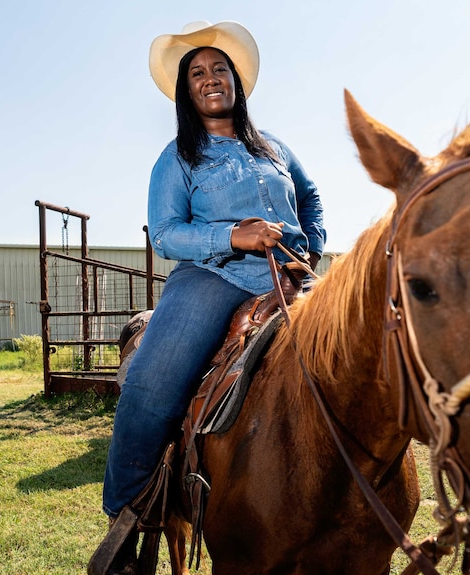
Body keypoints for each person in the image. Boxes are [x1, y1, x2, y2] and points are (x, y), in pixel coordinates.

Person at [99, 20, 326, 572]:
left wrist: (312, 251)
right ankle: (127, 520)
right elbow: (166, 233)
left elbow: (311, 196)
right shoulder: (177, 156)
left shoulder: (274, 147)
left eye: (218, 68)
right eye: (196, 73)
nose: (209, 78)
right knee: (151, 384)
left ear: (235, 80)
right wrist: (232, 235)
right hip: (214, 277)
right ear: (187, 90)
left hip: (291, 276)